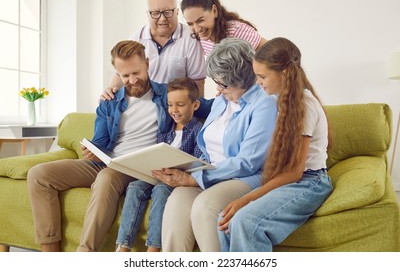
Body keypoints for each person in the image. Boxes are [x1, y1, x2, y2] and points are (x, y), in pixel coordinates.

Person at [27, 40, 212, 252]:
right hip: (108, 161)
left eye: (136, 73)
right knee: (39, 175)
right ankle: (50, 255)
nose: (132, 80)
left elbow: (211, 105)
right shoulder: (110, 101)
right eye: (125, 76)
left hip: (138, 167)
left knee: (106, 177)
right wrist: (93, 150)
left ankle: (85, 253)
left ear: (147, 64)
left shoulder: (167, 96)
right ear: (117, 73)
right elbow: (101, 141)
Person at [152, 38, 278, 252]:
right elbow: (188, 104)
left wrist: (195, 178)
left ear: (241, 80)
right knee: (176, 202)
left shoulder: (264, 104)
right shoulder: (222, 99)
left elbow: (248, 161)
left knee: (205, 206)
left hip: (245, 177)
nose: (217, 88)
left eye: (223, 83)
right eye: (216, 82)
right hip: (209, 171)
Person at [217, 37, 333, 252]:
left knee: (246, 222)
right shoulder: (278, 101)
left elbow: (294, 173)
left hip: (310, 182)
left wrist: (245, 200)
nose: (259, 82)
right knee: (225, 219)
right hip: (290, 180)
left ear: (285, 73)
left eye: (262, 76)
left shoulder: (304, 106)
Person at [115, 77, 203, 252]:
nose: (174, 110)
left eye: (180, 104)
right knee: (134, 187)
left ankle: (154, 248)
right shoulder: (167, 129)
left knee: (161, 191)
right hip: (159, 175)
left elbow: (199, 161)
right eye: (170, 105)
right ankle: (123, 246)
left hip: (177, 181)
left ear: (195, 105)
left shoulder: (198, 129)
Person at [104, 0, 206, 99]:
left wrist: (197, 113)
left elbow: (197, 84)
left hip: (177, 107)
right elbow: (123, 73)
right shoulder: (136, 39)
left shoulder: (191, 38)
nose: (162, 19)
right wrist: (111, 89)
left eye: (167, 12)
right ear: (148, 14)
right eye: (155, 13)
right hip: (145, 105)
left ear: (177, 12)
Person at [180, 0, 267, 56]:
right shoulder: (203, 40)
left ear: (214, 11)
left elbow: (272, 51)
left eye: (200, 20)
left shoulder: (236, 30)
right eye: (190, 24)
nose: (197, 29)